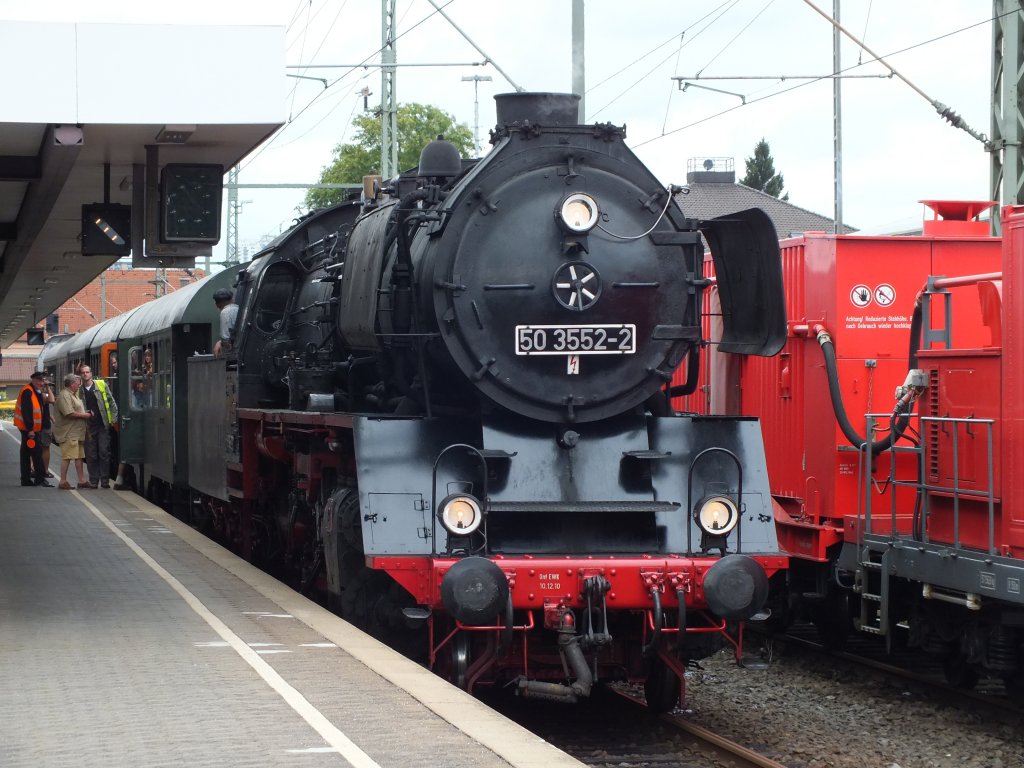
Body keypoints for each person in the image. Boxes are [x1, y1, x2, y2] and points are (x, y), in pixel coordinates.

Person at [78, 364, 118, 489]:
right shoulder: (79, 390)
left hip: (102, 425)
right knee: (91, 454)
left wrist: (113, 419)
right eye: (83, 372)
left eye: (87, 372)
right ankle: (94, 480)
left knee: (104, 452)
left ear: (91, 373)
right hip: (88, 427)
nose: (85, 374)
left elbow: (111, 402)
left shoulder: (101, 385)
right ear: (81, 375)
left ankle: (105, 480)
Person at [14, 372, 55, 487]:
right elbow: (26, 411)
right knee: (37, 453)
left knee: (26, 454)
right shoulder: (28, 391)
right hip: (29, 430)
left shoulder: (34, 391)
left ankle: (26, 479)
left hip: (30, 429)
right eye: (39, 381)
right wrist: (30, 429)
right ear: (33, 380)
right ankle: (39, 479)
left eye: (43, 381)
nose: (42, 383)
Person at [52, 373, 92, 490]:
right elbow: (69, 413)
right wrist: (86, 415)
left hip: (77, 432)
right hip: (68, 432)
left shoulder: (73, 394)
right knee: (67, 457)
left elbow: (76, 408)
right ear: (71, 384)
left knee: (79, 457)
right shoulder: (65, 395)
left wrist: (86, 412)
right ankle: (63, 481)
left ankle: (81, 480)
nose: (79, 385)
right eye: (77, 383)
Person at [212, 288, 238, 356]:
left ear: (217, 304)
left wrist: (221, 343)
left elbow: (226, 341)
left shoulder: (225, 312)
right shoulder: (239, 308)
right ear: (232, 299)